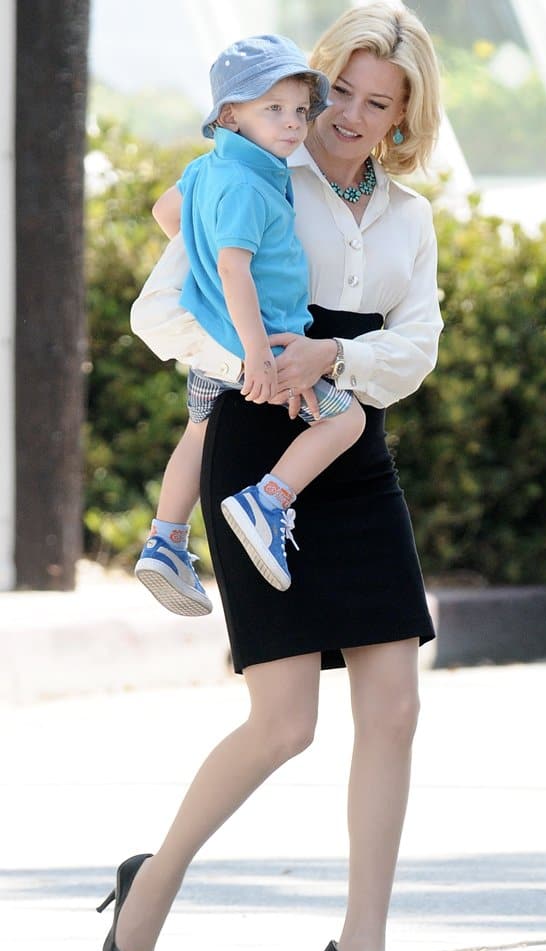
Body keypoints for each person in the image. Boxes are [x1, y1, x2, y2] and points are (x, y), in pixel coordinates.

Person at [99, 3, 443, 951]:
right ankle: (149, 889)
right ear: (314, 78)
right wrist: (260, 367)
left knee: (394, 708)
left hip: (349, 443)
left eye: (378, 105)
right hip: (259, 442)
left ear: (401, 119)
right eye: (340, 89)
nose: (348, 115)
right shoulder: (254, 170)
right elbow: (162, 313)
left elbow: (414, 344)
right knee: (285, 722)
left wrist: (330, 360)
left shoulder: (408, 219)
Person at [133, 34, 365, 616]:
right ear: (230, 115)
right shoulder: (249, 186)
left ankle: (166, 539)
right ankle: (268, 500)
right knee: (346, 421)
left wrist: (207, 273)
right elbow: (236, 269)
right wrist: (258, 354)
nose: (292, 124)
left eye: (297, 110)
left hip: (216, 344)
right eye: (273, 110)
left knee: (199, 430)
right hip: (262, 344)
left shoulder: (209, 168)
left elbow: (167, 212)